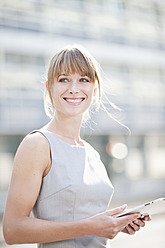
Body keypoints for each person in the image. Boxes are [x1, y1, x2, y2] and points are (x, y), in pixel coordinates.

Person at [3, 45, 150, 248]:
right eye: (63, 79)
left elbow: (83, 217)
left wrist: (115, 223)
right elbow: (12, 230)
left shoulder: (92, 153)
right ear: (48, 87)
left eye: (84, 80)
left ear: (94, 88)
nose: (74, 88)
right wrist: (91, 227)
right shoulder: (37, 144)